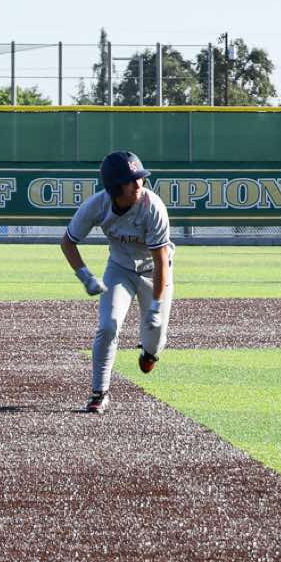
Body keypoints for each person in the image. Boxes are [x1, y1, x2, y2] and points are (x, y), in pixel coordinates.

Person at [60, 150, 172, 415]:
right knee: (108, 326)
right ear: (113, 186)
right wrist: (85, 276)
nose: (137, 184)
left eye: (139, 178)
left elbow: (161, 262)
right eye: (129, 180)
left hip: (153, 273)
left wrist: (156, 305)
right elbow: (67, 242)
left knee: (155, 339)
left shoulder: (153, 207)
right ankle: (99, 392)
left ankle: (149, 352)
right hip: (119, 269)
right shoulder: (97, 205)